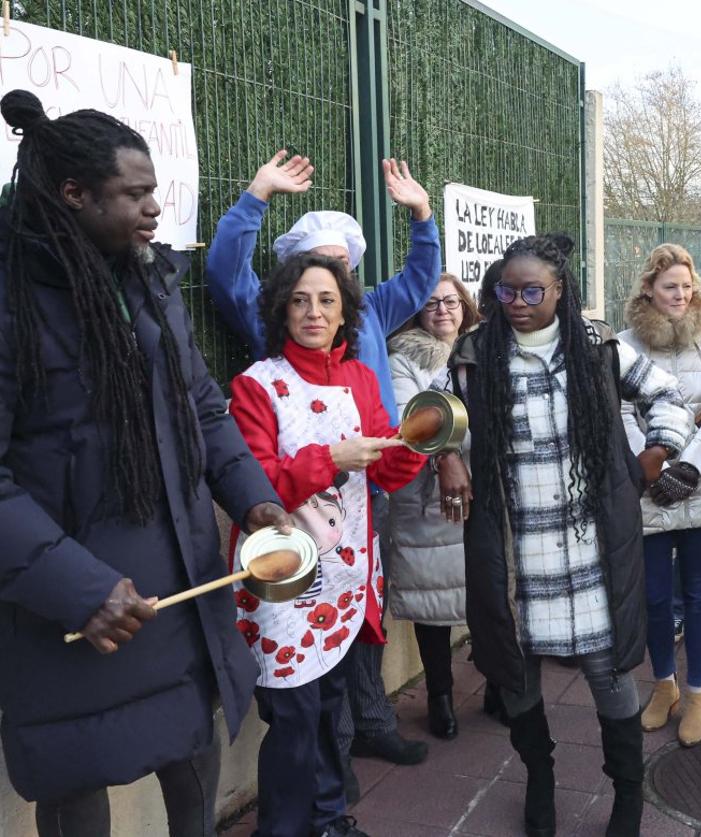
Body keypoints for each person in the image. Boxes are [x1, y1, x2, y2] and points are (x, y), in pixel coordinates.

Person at [0, 89, 290, 836]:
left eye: (154, 191)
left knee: (189, 751)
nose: (154, 209)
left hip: (182, 589)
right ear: (74, 194)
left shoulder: (152, 282)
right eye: (134, 194)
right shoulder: (11, 303)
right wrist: (79, 589)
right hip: (78, 605)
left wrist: (253, 497)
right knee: (78, 771)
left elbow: (202, 406)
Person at [447, 234, 690, 836]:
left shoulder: (598, 348)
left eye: (533, 291)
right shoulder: (475, 354)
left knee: (611, 682)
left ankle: (627, 795)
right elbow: (439, 418)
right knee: (517, 675)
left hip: (591, 552)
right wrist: (446, 456)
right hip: (514, 551)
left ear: (561, 291)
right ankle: (540, 780)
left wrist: (654, 456)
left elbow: (667, 396)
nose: (518, 302)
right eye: (507, 290)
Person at [207, 151, 440, 776]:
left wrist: (421, 215)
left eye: (336, 281)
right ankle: (323, 769)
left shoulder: (371, 332)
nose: (317, 308)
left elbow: (421, 277)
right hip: (292, 517)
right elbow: (225, 270)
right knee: (301, 665)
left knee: (361, 611)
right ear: (283, 298)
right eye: (304, 291)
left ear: (348, 298)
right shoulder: (265, 374)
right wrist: (255, 195)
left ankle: (365, 730)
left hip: (365, 502)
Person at [229, 253, 426, 837]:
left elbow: (388, 474)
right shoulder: (256, 384)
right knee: (292, 716)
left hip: (345, 576)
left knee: (330, 703)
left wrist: (415, 444)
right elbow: (255, 484)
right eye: (300, 300)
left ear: (345, 314)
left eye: (327, 301)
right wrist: (330, 459)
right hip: (282, 578)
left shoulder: (363, 379)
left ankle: (328, 819)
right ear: (281, 310)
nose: (313, 312)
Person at [618, 244, 701, 747]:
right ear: (649, 287)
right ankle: (662, 686)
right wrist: (652, 468)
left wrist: (688, 467)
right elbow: (622, 412)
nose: (682, 296)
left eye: (688, 287)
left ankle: (696, 693)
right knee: (656, 597)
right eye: (672, 287)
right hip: (648, 487)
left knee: (698, 596)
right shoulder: (624, 343)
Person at [386, 273, 480, 740]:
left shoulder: (483, 350)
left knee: (487, 589)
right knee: (432, 599)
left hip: (482, 489)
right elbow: (412, 417)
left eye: (451, 302)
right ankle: (440, 694)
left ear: (465, 306)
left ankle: (498, 683)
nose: (443, 311)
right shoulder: (403, 356)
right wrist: (447, 457)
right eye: (431, 304)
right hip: (427, 496)